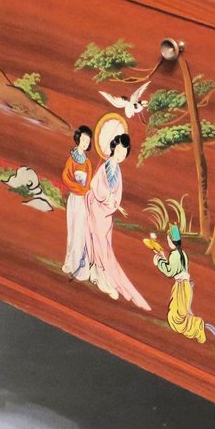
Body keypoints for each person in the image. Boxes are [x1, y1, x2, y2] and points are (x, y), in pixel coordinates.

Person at [85, 127, 150, 311]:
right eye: (119, 150)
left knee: (105, 245)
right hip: (97, 208)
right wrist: (109, 199)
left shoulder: (118, 171)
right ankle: (101, 277)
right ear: (113, 148)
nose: (121, 154)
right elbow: (95, 185)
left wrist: (115, 203)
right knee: (99, 244)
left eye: (124, 152)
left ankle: (102, 275)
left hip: (107, 213)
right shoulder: (105, 165)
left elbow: (117, 193)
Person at [151, 225, 207, 343]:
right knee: (178, 314)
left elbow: (170, 271)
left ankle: (197, 326)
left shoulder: (175, 255)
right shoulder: (181, 254)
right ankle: (196, 327)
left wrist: (159, 261)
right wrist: (162, 257)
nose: (168, 242)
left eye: (168, 240)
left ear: (171, 241)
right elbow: (175, 267)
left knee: (177, 318)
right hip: (183, 286)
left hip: (182, 287)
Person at [61, 125, 93, 278]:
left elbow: (89, 184)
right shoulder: (71, 159)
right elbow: (66, 178)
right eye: (84, 139)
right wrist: (79, 190)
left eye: (88, 140)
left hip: (82, 201)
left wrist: (85, 193)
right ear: (78, 138)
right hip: (74, 198)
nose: (86, 142)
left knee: (80, 231)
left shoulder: (87, 163)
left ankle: (79, 266)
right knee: (72, 229)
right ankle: (69, 262)